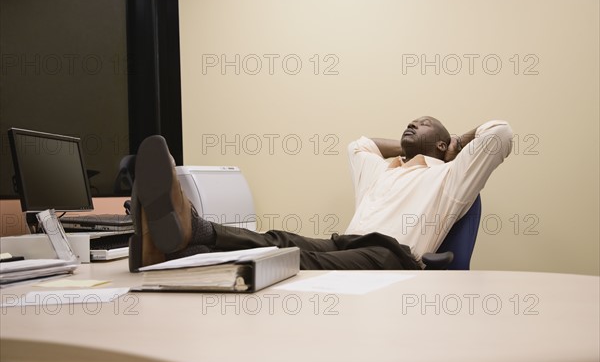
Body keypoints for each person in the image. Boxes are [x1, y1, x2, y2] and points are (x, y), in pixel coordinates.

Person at [128, 117, 512, 272]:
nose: (413, 122)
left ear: (445, 144)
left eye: (426, 123)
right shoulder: (383, 170)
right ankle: (191, 235)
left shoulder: (450, 177)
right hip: (346, 243)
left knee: (299, 259)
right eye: (411, 121)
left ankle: (189, 258)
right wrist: (409, 145)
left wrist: (453, 147)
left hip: (393, 256)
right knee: (279, 239)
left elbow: (499, 134)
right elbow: (358, 145)